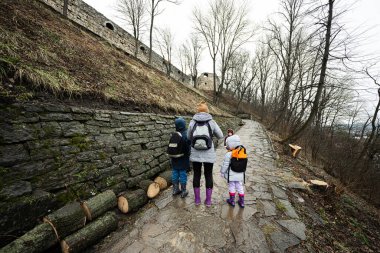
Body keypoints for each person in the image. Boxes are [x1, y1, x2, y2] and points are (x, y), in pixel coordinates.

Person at [188, 101, 223, 207]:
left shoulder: (192, 122)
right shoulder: (212, 122)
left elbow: (188, 137)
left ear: (197, 111)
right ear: (207, 111)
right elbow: (220, 135)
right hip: (209, 153)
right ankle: (208, 201)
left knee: (197, 175)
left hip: (195, 153)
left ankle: (197, 200)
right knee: (208, 175)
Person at [220, 135, 246, 208]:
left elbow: (225, 165)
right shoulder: (243, 152)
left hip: (231, 174)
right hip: (240, 173)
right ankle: (242, 202)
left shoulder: (229, 154)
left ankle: (232, 201)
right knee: (240, 186)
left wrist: (222, 172)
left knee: (232, 186)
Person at [170, 117, 190, 198]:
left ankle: (175, 190)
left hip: (174, 158)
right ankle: (183, 191)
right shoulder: (185, 134)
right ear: (184, 124)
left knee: (175, 172)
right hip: (183, 158)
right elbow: (188, 146)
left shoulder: (174, 135)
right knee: (182, 173)